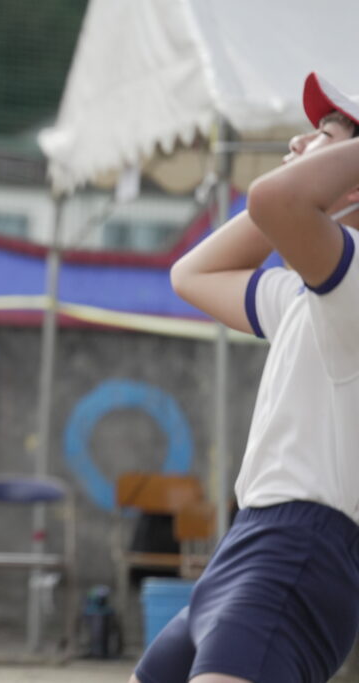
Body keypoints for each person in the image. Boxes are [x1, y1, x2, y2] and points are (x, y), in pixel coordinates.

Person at [137, 72, 359, 683]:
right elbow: (192, 275)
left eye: (322, 136)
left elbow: (276, 200)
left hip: (299, 550)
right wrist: (315, 166)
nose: (295, 143)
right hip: (252, 545)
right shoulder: (314, 294)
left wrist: (304, 184)